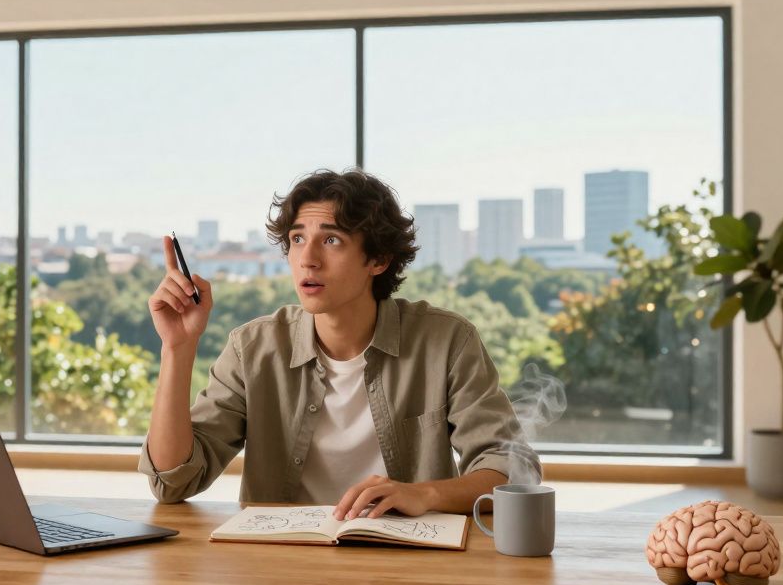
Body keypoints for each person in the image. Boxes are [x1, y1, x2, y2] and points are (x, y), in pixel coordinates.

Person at [139, 168, 539, 520]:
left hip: (407, 565)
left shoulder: (447, 341)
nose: (307, 259)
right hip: (282, 566)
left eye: (331, 241)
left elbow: (512, 471)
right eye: (297, 239)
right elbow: (173, 482)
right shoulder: (253, 348)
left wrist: (423, 493)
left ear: (378, 259)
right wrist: (178, 348)